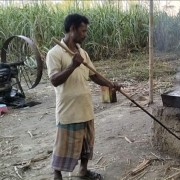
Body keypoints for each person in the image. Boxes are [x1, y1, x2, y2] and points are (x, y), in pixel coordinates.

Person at [46, 13, 121, 180]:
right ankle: (57, 176)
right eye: (82, 31)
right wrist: (72, 65)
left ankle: (83, 171)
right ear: (72, 29)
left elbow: (94, 75)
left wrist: (110, 84)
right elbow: (54, 80)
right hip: (68, 109)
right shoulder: (55, 53)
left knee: (86, 143)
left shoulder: (82, 53)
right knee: (64, 145)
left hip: (85, 107)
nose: (85, 35)